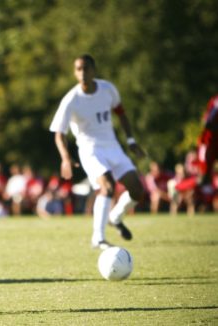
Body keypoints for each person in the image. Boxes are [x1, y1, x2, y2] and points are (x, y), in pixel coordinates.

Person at [49, 54, 145, 250]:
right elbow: (59, 134)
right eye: (78, 69)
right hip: (90, 150)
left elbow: (121, 113)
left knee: (137, 190)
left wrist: (131, 140)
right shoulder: (71, 99)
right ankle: (98, 238)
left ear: (94, 70)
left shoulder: (107, 89)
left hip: (113, 146)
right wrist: (66, 158)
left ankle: (116, 217)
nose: (82, 73)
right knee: (107, 186)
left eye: (86, 68)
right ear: (74, 72)